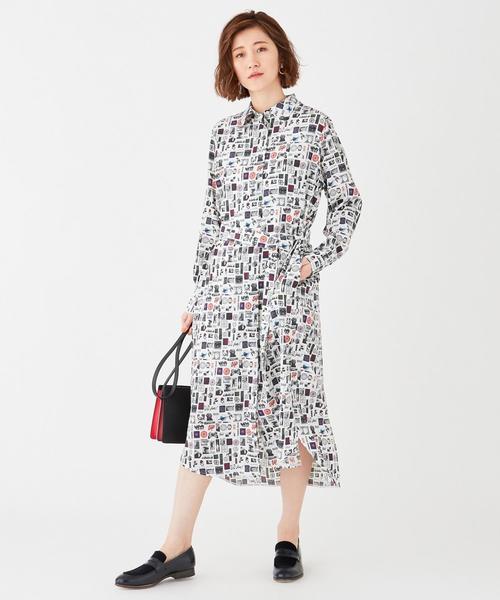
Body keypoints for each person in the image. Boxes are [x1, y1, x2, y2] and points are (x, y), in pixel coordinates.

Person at [115, 9, 362, 588]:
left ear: (281, 54)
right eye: (239, 53)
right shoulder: (223, 136)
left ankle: (288, 534)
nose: (251, 61)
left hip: (286, 297)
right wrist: (199, 295)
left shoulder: (316, 127)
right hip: (226, 296)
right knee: (207, 415)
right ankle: (176, 546)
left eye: (260, 49)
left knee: (293, 407)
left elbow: (348, 202)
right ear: (231, 65)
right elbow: (214, 221)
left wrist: (314, 260)